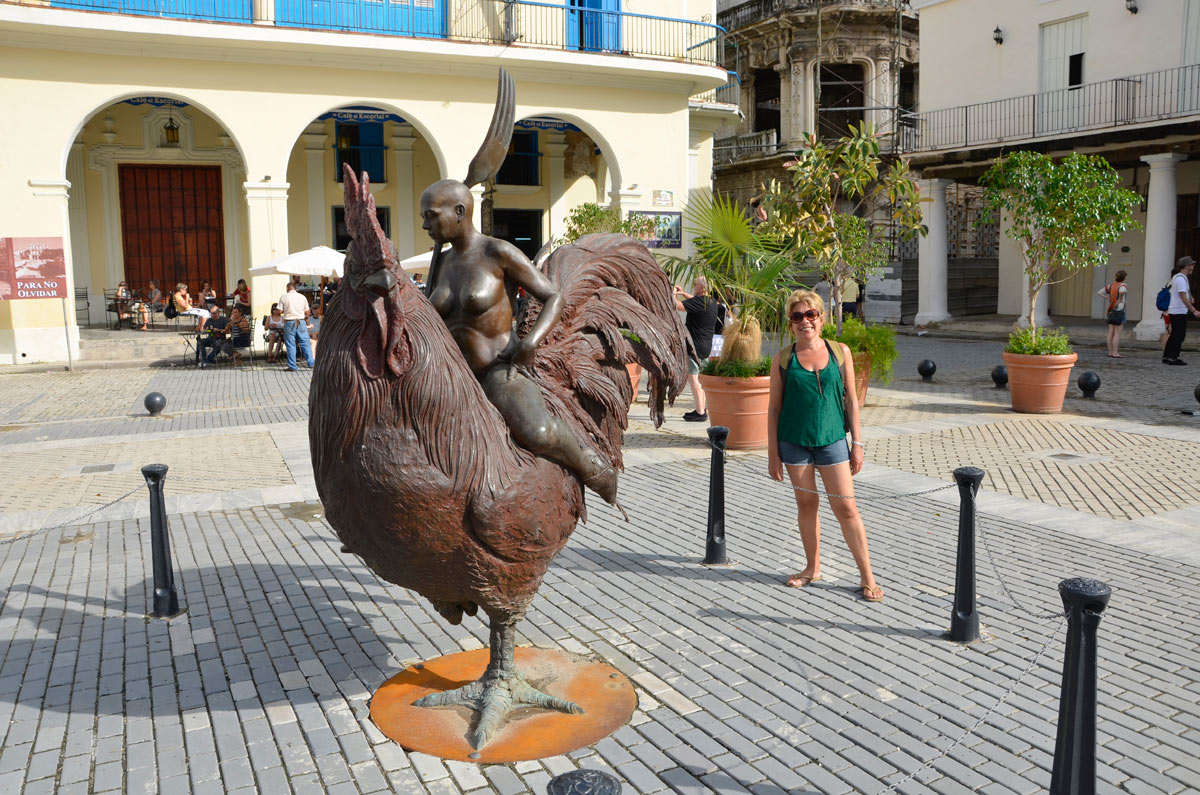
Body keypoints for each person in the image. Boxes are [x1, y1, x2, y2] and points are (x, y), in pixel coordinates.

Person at [421, 178, 617, 503]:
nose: (426, 224)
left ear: (459, 212)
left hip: (499, 368)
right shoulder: (439, 263)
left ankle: (592, 464)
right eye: (423, 217)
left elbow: (554, 296)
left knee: (535, 431)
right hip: (452, 375)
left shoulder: (496, 252)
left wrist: (529, 345)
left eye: (430, 215)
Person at [768, 288, 883, 603]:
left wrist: (856, 443)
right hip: (794, 443)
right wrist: (772, 454)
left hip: (833, 440)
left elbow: (852, 401)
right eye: (797, 316)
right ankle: (811, 568)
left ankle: (867, 576)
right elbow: (774, 408)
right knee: (807, 506)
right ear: (790, 323)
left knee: (846, 507)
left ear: (821, 318)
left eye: (810, 315)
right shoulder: (781, 359)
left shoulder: (839, 351)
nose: (804, 321)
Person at [673, 277, 719, 422]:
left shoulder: (699, 302)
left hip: (695, 347)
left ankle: (700, 413)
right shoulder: (711, 302)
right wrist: (684, 293)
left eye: (695, 285)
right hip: (706, 347)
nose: (694, 286)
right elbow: (694, 300)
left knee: (694, 379)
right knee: (701, 380)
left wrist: (673, 293)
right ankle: (702, 407)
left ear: (702, 288)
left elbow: (675, 306)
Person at [1164, 255, 1200, 366]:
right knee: (1179, 335)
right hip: (1178, 311)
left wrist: (1190, 297)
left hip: (1176, 310)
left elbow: (1184, 294)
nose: (1193, 266)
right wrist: (1194, 310)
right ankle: (1173, 358)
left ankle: (1167, 356)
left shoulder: (1179, 277)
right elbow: (1183, 297)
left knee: (1175, 334)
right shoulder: (1180, 279)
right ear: (1186, 266)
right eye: (1191, 264)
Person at [277, 281, 314, 371]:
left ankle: (293, 366)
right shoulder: (302, 297)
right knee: (305, 343)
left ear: (287, 288)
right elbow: (307, 312)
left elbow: (279, 311)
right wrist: (304, 317)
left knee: (290, 344)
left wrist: (286, 311)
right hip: (301, 321)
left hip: (289, 322)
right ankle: (311, 363)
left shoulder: (284, 296)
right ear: (295, 288)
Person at [1097, 270, 1128, 358]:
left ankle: (1110, 352)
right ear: (1124, 277)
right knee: (1117, 333)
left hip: (1111, 309)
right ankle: (1115, 352)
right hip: (1120, 310)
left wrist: (1107, 297)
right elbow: (1122, 291)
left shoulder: (1111, 285)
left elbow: (1099, 292)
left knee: (1111, 331)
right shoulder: (1123, 285)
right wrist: (1120, 299)